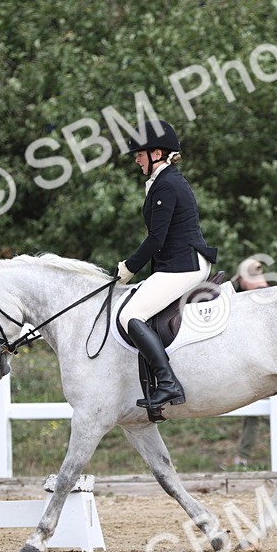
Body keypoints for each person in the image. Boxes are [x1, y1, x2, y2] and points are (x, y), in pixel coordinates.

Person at [117, 121, 218, 412]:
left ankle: (168, 382)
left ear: (157, 153)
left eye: (140, 154)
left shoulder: (168, 184)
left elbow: (156, 238)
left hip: (184, 266)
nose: (136, 159)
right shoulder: (164, 181)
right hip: (176, 264)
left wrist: (130, 267)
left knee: (131, 315)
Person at [227, 258, 269, 467]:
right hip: (265, 360)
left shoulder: (247, 294)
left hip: (257, 362)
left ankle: (242, 458)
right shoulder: (270, 291)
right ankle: (243, 457)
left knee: (256, 412)